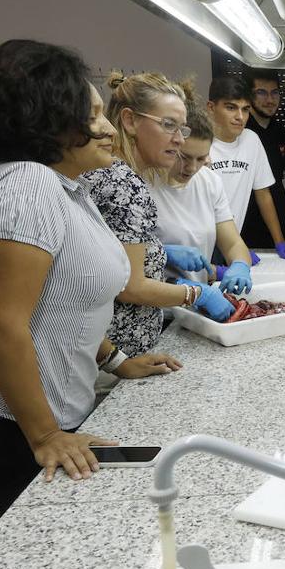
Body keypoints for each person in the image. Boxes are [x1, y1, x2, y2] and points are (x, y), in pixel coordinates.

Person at [0, 40, 182, 537]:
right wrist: (45, 433)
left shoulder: (68, 188)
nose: (111, 128)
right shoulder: (25, 186)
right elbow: (2, 322)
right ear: (46, 119)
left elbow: (70, 301)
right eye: (92, 115)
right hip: (6, 435)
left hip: (51, 419)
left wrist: (115, 361)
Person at [87, 71, 235, 366]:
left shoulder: (112, 175)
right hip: (109, 358)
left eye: (182, 129)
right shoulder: (124, 184)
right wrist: (196, 293)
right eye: (168, 125)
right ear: (129, 121)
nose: (179, 140)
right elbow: (131, 287)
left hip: (108, 357)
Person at [148, 81, 254, 286]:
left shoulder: (210, 182)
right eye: (184, 157)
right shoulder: (144, 185)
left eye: (201, 158)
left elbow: (232, 243)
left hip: (198, 302)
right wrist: (165, 256)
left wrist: (240, 264)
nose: (192, 168)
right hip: (159, 305)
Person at [206, 76, 285, 260]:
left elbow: (263, 194)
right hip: (203, 243)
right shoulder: (200, 143)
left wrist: (279, 242)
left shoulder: (251, 140)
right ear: (211, 107)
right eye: (231, 107)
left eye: (245, 109)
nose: (240, 117)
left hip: (230, 242)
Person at [242, 68, 285, 247]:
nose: (270, 100)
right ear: (249, 96)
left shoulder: (280, 132)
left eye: (275, 93)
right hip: (249, 225)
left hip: (281, 221)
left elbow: (277, 178)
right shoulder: (241, 131)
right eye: (262, 93)